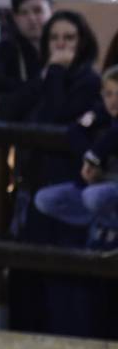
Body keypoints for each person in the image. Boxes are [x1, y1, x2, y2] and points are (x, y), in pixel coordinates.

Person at [4, 10, 102, 335]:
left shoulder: (90, 83)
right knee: (29, 275)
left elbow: (54, 119)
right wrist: (46, 77)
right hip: (32, 189)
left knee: (66, 277)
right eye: (54, 38)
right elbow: (9, 109)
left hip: (66, 193)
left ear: (82, 42)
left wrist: (56, 73)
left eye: (69, 38)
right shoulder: (42, 76)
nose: (61, 45)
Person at [34, 65, 118, 231]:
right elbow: (75, 130)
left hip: (108, 188)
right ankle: (101, 226)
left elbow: (114, 135)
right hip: (98, 183)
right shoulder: (101, 112)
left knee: (92, 197)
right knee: (44, 199)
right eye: (109, 94)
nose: (114, 100)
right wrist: (89, 158)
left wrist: (93, 158)